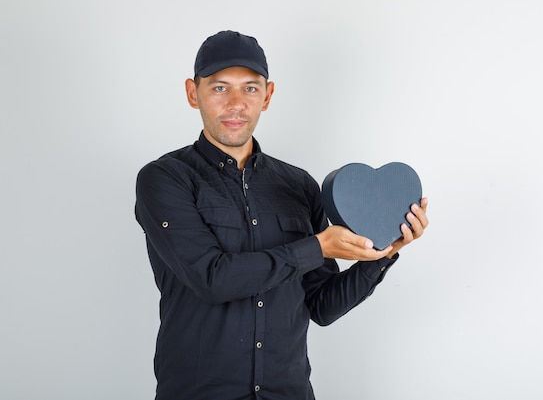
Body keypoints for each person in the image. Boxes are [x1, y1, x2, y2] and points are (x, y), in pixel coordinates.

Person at [135, 30, 429, 400]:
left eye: (251, 88)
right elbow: (212, 279)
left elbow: (320, 305)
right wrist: (318, 247)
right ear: (194, 94)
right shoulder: (165, 179)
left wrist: (383, 253)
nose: (237, 104)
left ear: (268, 95)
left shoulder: (300, 186)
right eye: (220, 88)